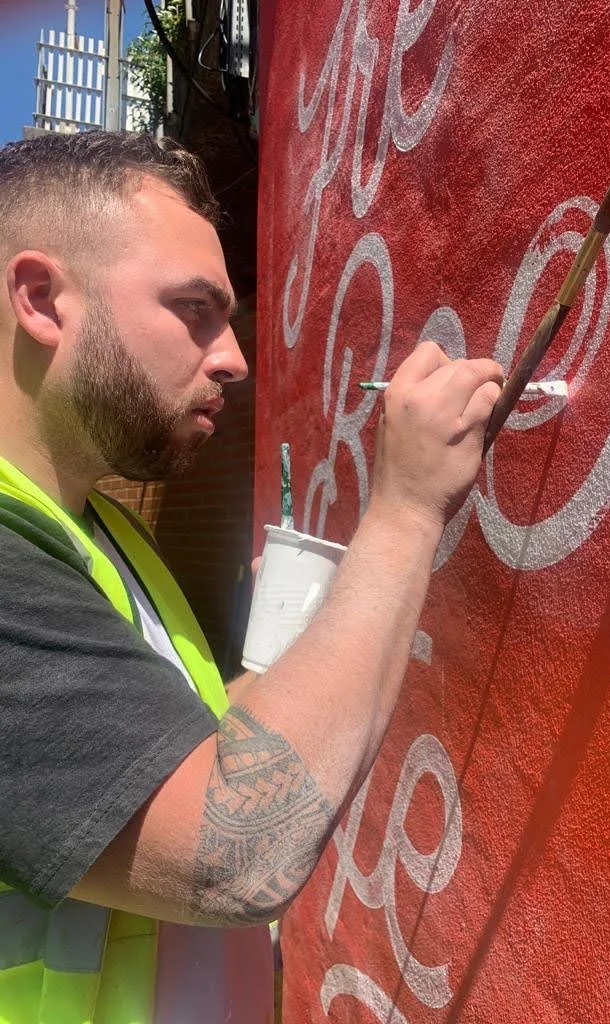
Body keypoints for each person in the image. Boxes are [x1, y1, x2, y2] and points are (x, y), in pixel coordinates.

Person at [0, 130, 503, 1024]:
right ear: (40, 298)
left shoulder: (101, 530)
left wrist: (289, 651)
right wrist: (406, 511)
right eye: (195, 308)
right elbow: (238, 856)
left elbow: (178, 761)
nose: (233, 356)